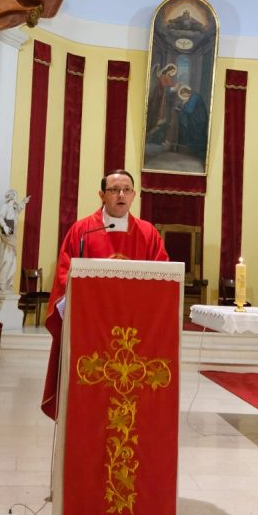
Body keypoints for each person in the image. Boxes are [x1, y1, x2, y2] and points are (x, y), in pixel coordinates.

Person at [40, 170, 169, 419]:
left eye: (126, 190)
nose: (121, 195)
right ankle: (84, 424)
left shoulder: (148, 234)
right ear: (101, 195)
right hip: (91, 330)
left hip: (134, 332)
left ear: (134, 195)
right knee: (90, 398)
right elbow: (64, 277)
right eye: (114, 190)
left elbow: (162, 279)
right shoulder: (82, 231)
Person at [0, 189, 30, 292]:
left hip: (11, 239)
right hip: (4, 240)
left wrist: (23, 202)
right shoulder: (5, 207)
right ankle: (1, 283)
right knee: (6, 260)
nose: (16, 198)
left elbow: (18, 210)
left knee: (12, 262)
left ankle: (7, 283)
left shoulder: (13, 208)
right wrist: (4, 226)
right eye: (16, 196)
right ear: (12, 196)